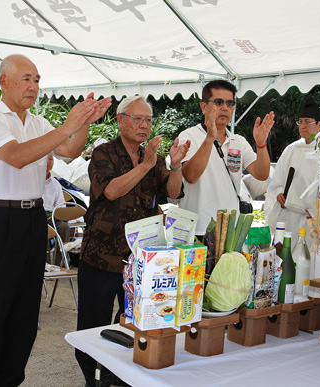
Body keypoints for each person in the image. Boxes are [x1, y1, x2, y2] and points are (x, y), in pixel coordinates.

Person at [0, 54, 111, 387]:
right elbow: (17, 157)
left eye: (36, 79)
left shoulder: (38, 122)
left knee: (24, 309)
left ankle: (10, 379)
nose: (33, 86)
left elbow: (70, 151)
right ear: (4, 81)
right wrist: (66, 126)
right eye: (26, 79)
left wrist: (84, 121)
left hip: (32, 217)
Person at [76, 95, 190, 386]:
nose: (143, 125)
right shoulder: (103, 153)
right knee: (92, 328)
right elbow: (111, 191)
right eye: (137, 119)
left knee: (136, 325)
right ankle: (94, 379)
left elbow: (174, 193)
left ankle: (124, 378)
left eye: (148, 120)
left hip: (140, 261)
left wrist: (175, 166)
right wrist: (144, 165)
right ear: (120, 120)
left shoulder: (154, 157)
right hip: (102, 259)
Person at [177, 80, 275, 236]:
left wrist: (261, 145)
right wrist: (210, 138)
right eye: (218, 102)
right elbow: (191, 176)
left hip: (229, 231)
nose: (224, 108)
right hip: (195, 230)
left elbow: (261, 174)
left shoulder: (238, 141)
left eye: (230, 103)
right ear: (204, 107)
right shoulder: (189, 136)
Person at [264, 97, 320, 245]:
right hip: (287, 217)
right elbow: (277, 181)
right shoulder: (291, 149)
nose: (302, 126)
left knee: (307, 261)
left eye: (307, 122)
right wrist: (278, 193)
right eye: (300, 122)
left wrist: (318, 211)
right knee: (282, 259)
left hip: (311, 220)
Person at [43, 153, 71, 266]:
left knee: (64, 227)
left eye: (51, 159)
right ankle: (45, 265)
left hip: (51, 215)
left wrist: (56, 215)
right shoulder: (33, 181)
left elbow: (61, 206)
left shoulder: (55, 184)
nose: (49, 162)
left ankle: (57, 264)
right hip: (37, 215)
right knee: (42, 228)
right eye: (46, 159)